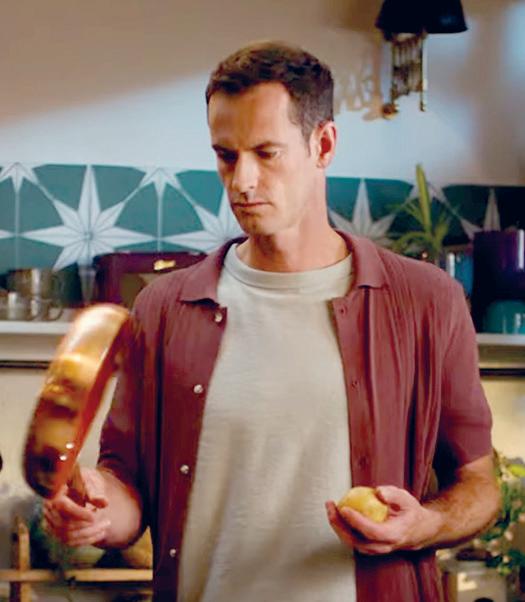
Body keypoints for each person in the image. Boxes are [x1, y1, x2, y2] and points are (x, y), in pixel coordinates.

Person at [43, 41, 500, 601]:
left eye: (266, 153)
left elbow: (479, 485)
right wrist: (95, 512)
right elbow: (126, 489)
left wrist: (424, 525)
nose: (242, 181)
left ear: (323, 144)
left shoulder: (425, 301)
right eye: (226, 155)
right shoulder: (164, 308)